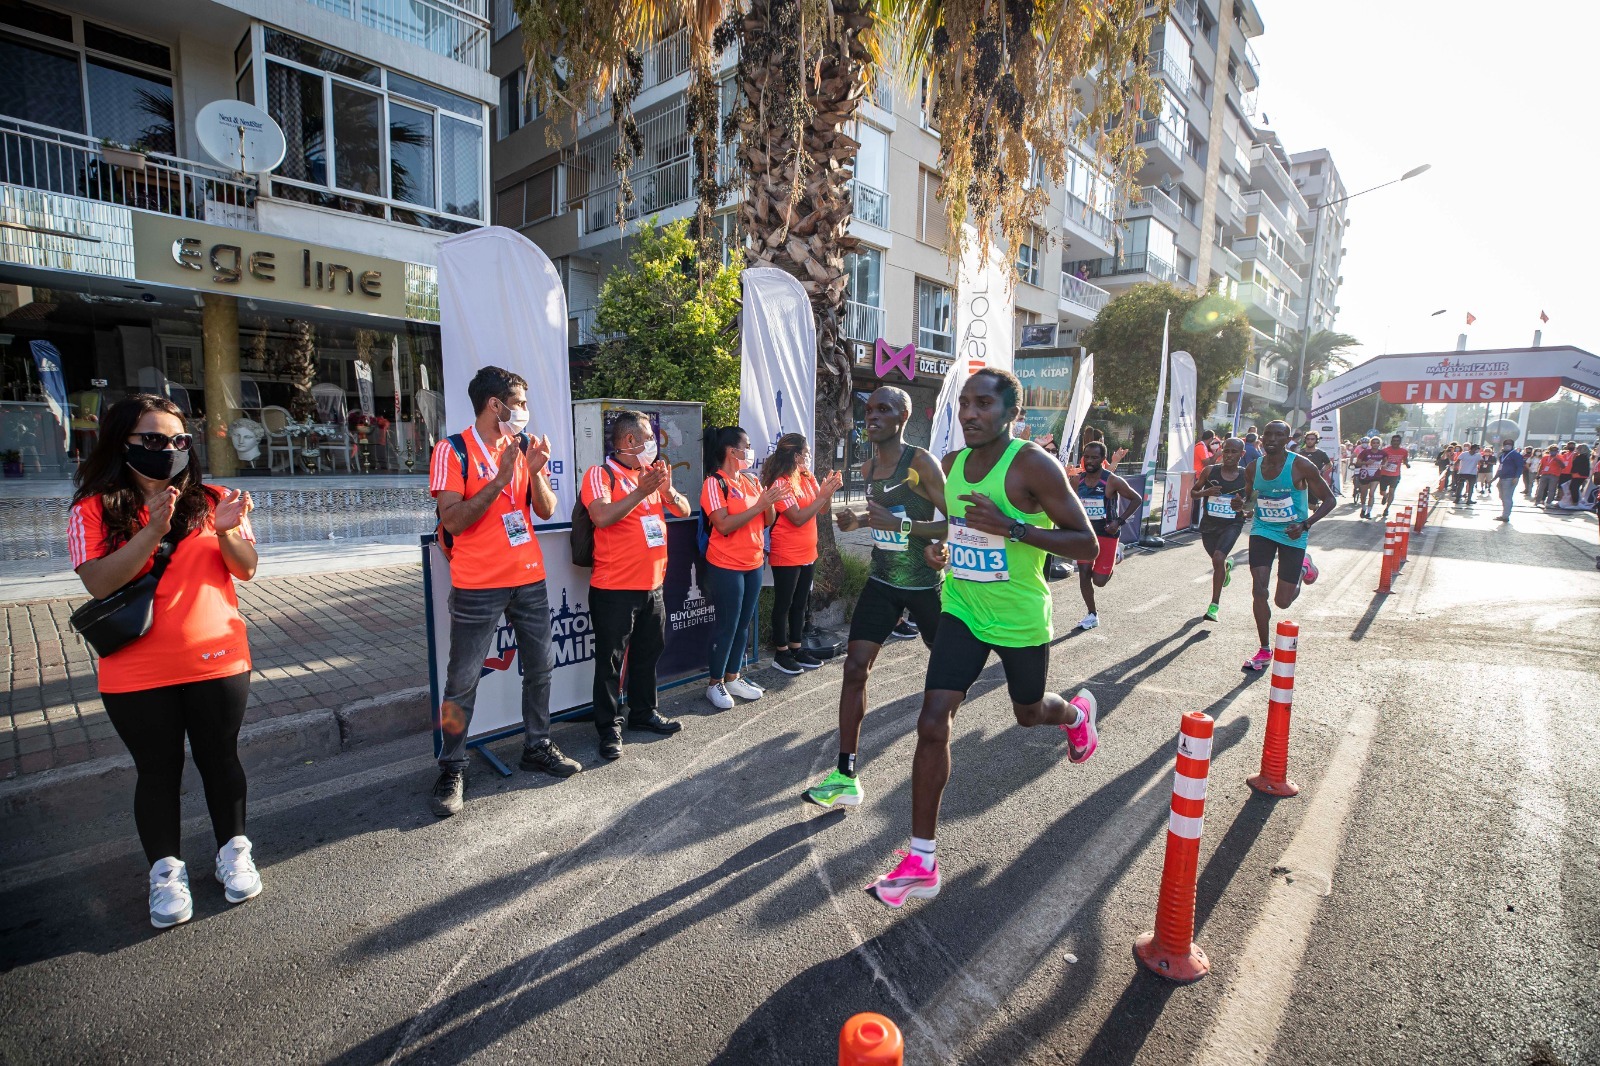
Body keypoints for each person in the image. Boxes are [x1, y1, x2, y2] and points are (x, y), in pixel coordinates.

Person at [865, 369, 1101, 908]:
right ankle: (922, 859)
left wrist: (1014, 528)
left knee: (1029, 712)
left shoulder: (1031, 465)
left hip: (1018, 616)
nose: (969, 413)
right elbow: (953, 527)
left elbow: (1086, 544)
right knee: (932, 720)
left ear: (1011, 412)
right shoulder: (951, 464)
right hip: (964, 608)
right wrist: (938, 548)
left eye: (983, 404)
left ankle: (1074, 716)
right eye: (964, 404)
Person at [69, 394, 262, 928]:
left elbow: (246, 569)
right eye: (152, 440)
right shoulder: (94, 509)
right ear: (121, 442)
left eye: (178, 440)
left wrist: (224, 529)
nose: (168, 450)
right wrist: (152, 530)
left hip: (218, 661)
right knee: (157, 772)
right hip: (136, 671)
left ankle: (233, 852)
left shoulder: (217, 498)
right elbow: (99, 581)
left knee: (221, 759)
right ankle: (166, 872)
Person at [429, 367, 579, 818]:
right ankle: (452, 766)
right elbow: (452, 520)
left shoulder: (524, 446)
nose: (525, 412)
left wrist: (532, 474)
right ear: (495, 405)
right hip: (477, 585)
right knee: (462, 681)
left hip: (529, 578)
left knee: (540, 668)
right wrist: (500, 478)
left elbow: (547, 508)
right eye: (519, 402)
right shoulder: (452, 450)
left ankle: (537, 745)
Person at [804, 387, 948, 809]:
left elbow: (953, 521)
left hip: (925, 587)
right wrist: (858, 520)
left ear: (903, 417)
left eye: (883, 409)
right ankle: (846, 774)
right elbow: (883, 517)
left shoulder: (919, 462)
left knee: (949, 678)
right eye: (868, 410)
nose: (873, 416)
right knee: (854, 668)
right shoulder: (868, 468)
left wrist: (903, 531)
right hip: (882, 581)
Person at [581, 411, 693, 761]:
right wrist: (640, 492)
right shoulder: (601, 474)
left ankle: (643, 713)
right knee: (611, 664)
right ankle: (609, 729)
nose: (654, 447)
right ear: (629, 441)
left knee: (648, 655)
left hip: (653, 585)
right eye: (649, 439)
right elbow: (601, 516)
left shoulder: (649, 475)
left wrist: (667, 490)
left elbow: (685, 510)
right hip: (615, 588)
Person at [1232, 421, 1335, 672]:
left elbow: (1329, 500)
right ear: (1262, 437)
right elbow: (1250, 500)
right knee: (1259, 589)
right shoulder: (1253, 467)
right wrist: (1242, 507)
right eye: (1268, 434)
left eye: (1279, 435)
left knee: (1282, 602)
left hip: (1293, 533)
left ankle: (1302, 567)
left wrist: (1306, 524)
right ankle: (1264, 649)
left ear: (1288, 438)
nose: (1272, 439)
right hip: (1263, 530)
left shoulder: (1300, 465)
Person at [701, 427, 787, 709]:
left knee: (744, 623)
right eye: (747, 446)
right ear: (731, 451)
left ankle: (734, 676)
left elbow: (765, 520)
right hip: (725, 564)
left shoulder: (750, 481)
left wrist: (769, 501)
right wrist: (761, 504)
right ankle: (715, 684)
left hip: (753, 562)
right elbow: (723, 524)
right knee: (728, 624)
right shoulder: (715, 483)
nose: (750, 451)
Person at [761, 433, 843, 674]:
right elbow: (797, 518)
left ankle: (796, 648)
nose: (808, 456)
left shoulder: (807, 477)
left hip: (809, 551)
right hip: (787, 552)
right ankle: (781, 652)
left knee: (800, 603)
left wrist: (828, 492)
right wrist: (822, 497)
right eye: (805, 452)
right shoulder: (780, 483)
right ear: (795, 455)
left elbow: (822, 508)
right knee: (784, 603)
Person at [1070, 441, 1142, 631]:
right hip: (1085, 535)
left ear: (1103, 459)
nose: (1090, 461)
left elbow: (1137, 499)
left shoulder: (1111, 480)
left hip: (1107, 534)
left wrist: (1119, 521)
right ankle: (1092, 614)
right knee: (1084, 574)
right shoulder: (1077, 480)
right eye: (1087, 457)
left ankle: (1115, 556)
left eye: (1094, 457)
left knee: (1099, 581)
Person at [1191, 436, 1250, 621]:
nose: (1229, 455)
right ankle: (1226, 566)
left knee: (1218, 558)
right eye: (1226, 451)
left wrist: (1242, 506)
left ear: (1242, 454)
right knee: (1218, 562)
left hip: (1232, 524)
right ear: (1221, 452)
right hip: (1209, 524)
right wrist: (1205, 493)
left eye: (1234, 452)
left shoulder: (1246, 475)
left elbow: (1251, 504)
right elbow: (1193, 493)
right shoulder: (1210, 471)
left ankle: (1214, 606)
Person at [1492, 438, 1525, 523]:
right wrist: (1495, 478)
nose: (1507, 445)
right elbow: (1500, 467)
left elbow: (1520, 466)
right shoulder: (1502, 455)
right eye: (1506, 444)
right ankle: (1505, 513)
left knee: (1507, 497)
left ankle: (1505, 516)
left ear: (1512, 445)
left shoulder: (1516, 455)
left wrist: (1517, 477)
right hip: (1502, 478)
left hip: (1510, 478)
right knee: (1502, 496)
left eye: (1509, 444)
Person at [1377, 433, 1410, 517]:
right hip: (1384, 474)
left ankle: (1387, 509)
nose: (1395, 442)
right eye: (1394, 441)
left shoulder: (1404, 451)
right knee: (1382, 492)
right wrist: (1384, 464)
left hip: (1395, 475)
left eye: (1397, 441)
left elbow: (1405, 460)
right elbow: (1380, 460)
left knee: (1392, 492)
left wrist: (1407, 464)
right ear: (1391, 441)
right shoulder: (1385, 450)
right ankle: (1385, 496)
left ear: (1400, 442)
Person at [1564, 443, 1591, 508]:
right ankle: (1575, 502)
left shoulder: (1583, 457)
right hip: (1578, 474)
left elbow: (1576, 464)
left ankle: (1575, 503)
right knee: (1573, 488)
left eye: (1578, 448)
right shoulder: (1584, 456)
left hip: (1579, 474)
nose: (1577, 450)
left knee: (1573, 488)